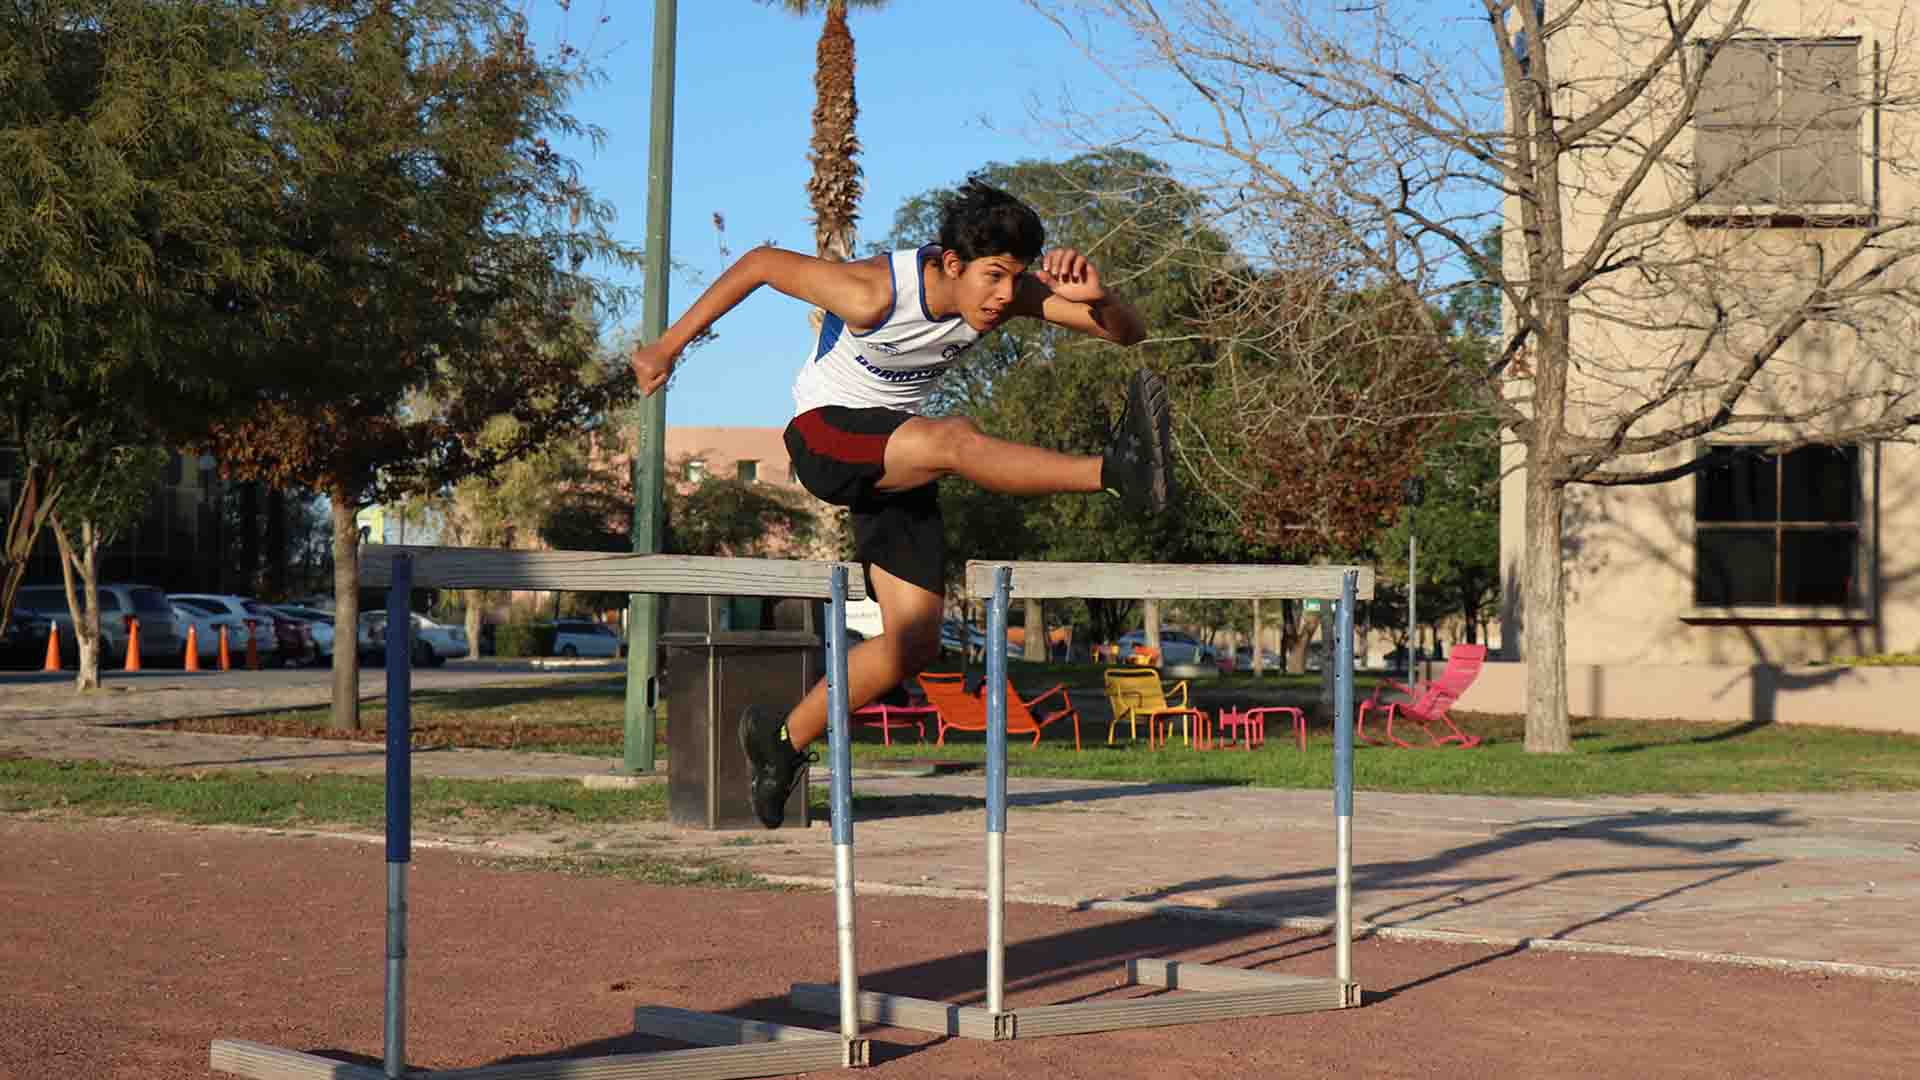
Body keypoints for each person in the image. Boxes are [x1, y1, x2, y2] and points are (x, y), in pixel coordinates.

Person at [631, 179, 1174, 827]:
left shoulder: (1006, 293)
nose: (1004, 297)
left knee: (912, 641)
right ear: (951, 263)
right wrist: (667, 345)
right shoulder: (873, 292)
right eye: (993, 278)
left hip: (895, 454)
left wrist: (1101, 297)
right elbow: (760, 264)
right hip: (826, 437)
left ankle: (780, 740)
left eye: (1016, 278)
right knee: (956, 438)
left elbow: (1128, 335)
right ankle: (1115, 471)